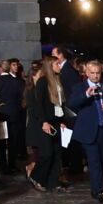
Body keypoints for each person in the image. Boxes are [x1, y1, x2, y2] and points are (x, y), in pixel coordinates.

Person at [69, 59, 103, 203]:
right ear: (86, 73)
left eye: (98, 73)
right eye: (92, 73)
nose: (95, 76)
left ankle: (98, 186)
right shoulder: (79, 87)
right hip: (87, 130)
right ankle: (98, 190)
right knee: (94, 161)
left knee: (101, 161)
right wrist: (86, 95)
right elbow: (71, 104)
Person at [25, 52, 67, 192]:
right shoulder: (43, 81)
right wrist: (44, 121)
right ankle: (36, 176)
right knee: (47, 153)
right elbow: (39, 104)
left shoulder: (57, 80)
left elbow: (60, 103)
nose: (59, 65)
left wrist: (61, 120)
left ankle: (53, 182)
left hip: (56, 120)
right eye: (56, 63)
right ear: (50, 66)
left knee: (57, 153)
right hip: (46, 122)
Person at [0, 58, 26, 175]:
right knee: (13, 141)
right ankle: (12, 165)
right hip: (15, 115)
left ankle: (3, 166)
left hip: (0, 115)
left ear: (0, 69)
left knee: (1, 142)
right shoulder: (17, 82)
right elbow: (23, 98)